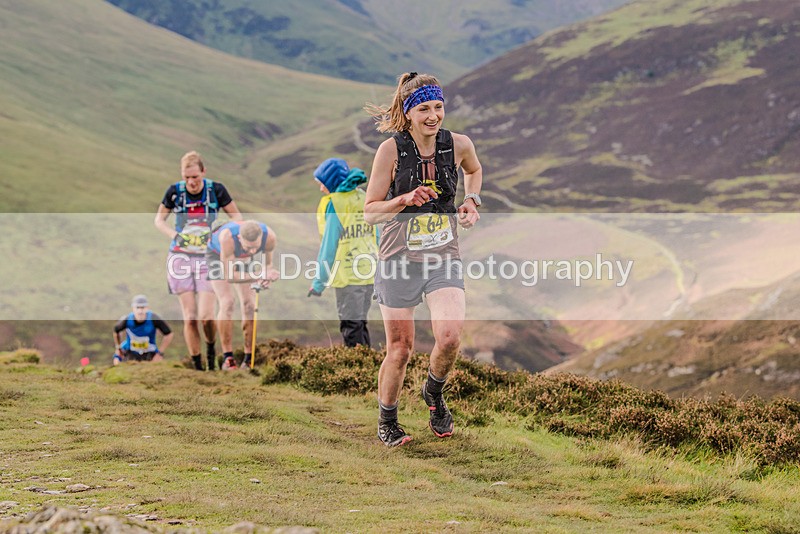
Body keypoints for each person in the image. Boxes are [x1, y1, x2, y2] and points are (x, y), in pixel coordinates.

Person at [364, 72, 483, 447]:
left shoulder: (458, 144)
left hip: (442, 255)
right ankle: (388, 420)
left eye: (438, 107)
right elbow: (370, 212)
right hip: (398, 258)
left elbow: (474, 171)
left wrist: (470, 200)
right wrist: (401, 200)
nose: (433, 116)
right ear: (408, 112)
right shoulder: (391, 150)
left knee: (449, 337)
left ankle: (433, 393)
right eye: (424, 109)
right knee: (400, 349)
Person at [154, 151, 242, 371]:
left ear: (203, 172)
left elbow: (237, 217)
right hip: (180, 256)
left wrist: (220, 231)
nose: (191, 182)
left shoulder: (216, 190)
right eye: (186, 177)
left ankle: (211, 349)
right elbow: (159, 219)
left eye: (195, 177)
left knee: (206, 316)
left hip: (207, 257)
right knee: (190, 317)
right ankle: (197, 366)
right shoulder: (174, 193)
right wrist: (174, 235)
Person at [308, 158, 378, 347]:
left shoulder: (335, 204)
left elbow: (329, 247)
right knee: (360, 323)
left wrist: (319, 282)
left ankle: (356, 371)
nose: (321, 189)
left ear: (330, 183)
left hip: (347, 275)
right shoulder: (363, 197)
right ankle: (366, 367)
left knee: (351, 327)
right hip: (369, 274)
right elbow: (378, 236)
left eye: (322, 184)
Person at [206, 220, 279, 370]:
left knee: (249, 305)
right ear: (240, 238)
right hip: (218, 256)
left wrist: (266, 278)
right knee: (227, 303)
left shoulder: (269, 237)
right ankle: (228, 359)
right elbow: (230, 276)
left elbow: (267, 265)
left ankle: (248, 358)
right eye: (248, 247)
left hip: (243, 260)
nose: (253, 251)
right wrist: (259, 274)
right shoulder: (227, 238)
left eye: (256, 248)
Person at [112, 295, 174, 365]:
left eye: (143, 308)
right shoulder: (127, 319)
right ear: (133, 309)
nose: (140, 311)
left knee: (157, 364)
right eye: (137, 307)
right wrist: (118, 348)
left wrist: (160, 353)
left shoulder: (154, 318)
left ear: (147, 308)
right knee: (117, 361)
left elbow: (169, 334)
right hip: (131, 351)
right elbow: (116, 330)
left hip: (149, 351)